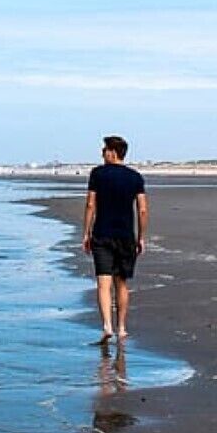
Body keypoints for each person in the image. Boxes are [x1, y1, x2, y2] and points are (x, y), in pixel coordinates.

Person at [81, 135, 149, 344]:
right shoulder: (135, 177)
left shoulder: (98, 174)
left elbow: (91, 204)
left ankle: (107, 326)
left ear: (112, 152)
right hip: (126, 236)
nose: (102, 153)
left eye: (104, 150)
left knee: (103, 282)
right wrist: (141, 237)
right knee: (121, 283)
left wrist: (86, 233)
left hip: (102, 234)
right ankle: (121, 328)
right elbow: (143, 209)